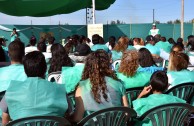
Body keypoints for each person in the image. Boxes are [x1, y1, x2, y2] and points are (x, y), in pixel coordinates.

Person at [0, 51, 70, 125]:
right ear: (45, 69)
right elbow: (68, 116)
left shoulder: (11, 90)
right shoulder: (60, 90)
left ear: (25, 70)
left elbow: (5, 121)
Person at [73, 50, 128, 122]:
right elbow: (126, 113)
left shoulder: (81, 87)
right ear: (107, 64)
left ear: (88, 66)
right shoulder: (118, 84)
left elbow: (78, 118)